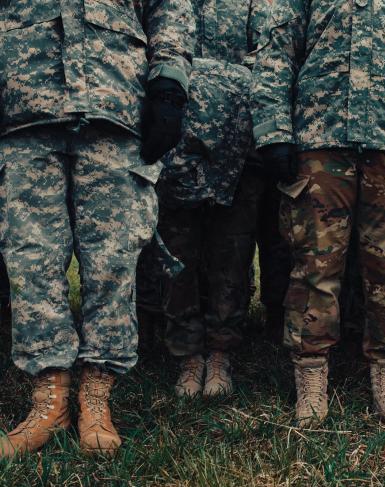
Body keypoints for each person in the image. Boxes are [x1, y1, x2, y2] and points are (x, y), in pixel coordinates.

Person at [251, 0, 385, 428]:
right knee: (315, 263)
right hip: (320, 137)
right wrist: (274, 129)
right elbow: (275, 49)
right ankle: (311, 381)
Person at [0, 0, 194, 457]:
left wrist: (169, 82)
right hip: (25, 101)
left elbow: (170, 7)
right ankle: (49, 400)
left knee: (113, 260)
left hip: (114, 100)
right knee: (31, 259)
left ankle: (96, 397)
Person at [157, 0, 273, 398]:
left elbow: (267, 59)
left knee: (231, 254)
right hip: (174, 142)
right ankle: (188, 354)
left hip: (239, 144)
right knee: (178, 253)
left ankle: (222, 353)